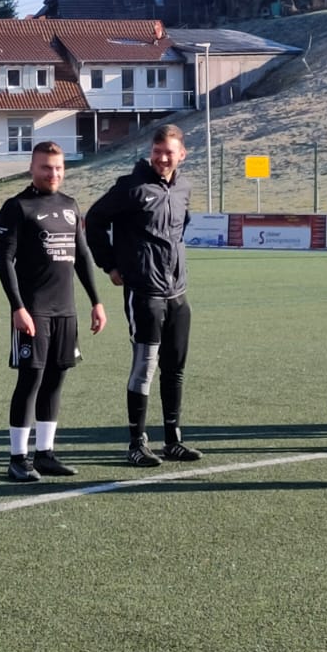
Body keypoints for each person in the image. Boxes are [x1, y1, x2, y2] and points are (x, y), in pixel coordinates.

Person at [85, 125, 202, 467]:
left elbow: (179, 228)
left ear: (182, 155)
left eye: (169, 152)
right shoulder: (131, 187)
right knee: (145, 367)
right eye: (157, 151)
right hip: (145, 292)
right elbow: (94, 220)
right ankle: (137, 444)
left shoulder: (183, 188)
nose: (162, 158)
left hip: (177, 293)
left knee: (175, 368)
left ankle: (173, 441)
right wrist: (110, 264)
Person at [0, 141, 107, 481]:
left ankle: (45, 454)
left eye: (58, 168)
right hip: (34, 311)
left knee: (56, 380)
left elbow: (82, 256)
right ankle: (18, 458)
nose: (53, 173)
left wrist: (96, 301)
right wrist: (17, 307)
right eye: (46, 167)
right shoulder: (17, 207)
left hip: (65, 311)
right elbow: (4, 260)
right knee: (30, 379)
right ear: (32, 168)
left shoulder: (70, 205)